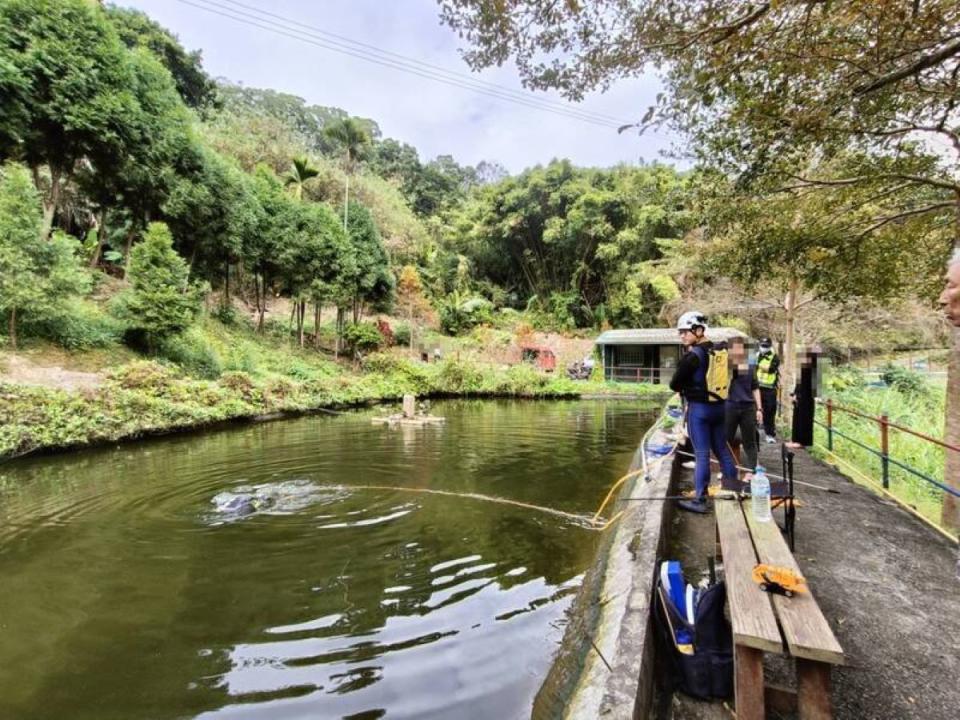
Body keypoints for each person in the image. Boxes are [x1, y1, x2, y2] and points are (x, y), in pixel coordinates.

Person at [669, 311, 738, 513]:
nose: (682, 336)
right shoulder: (719, 351)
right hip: (719, 408)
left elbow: (674, 384)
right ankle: (732, 489)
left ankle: (699, 500)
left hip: (700, 411)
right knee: (722, 450)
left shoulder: (692, 356)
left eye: (685, 332)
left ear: (698, 331)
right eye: (680, 332)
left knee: (701, 454)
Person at [725, 337, 763, 477]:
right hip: (730, 406)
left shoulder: (751, 365)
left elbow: (755, 387)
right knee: (726, 440)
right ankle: (728, 471)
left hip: (748, 407)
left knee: (750, 441)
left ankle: (752, 472)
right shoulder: (727, 366)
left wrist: (759, 408)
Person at [756, 337, 780, 443]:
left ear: (770, 346)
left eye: (766, 346)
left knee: (770, 411)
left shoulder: (775, 357)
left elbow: (771, 369)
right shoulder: (756, 355)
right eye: (762, 346)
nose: (763, 348)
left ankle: (769, 434)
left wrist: (758, 365)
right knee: (753, 410)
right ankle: (753, 432)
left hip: (769, 389)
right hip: (756, 388)